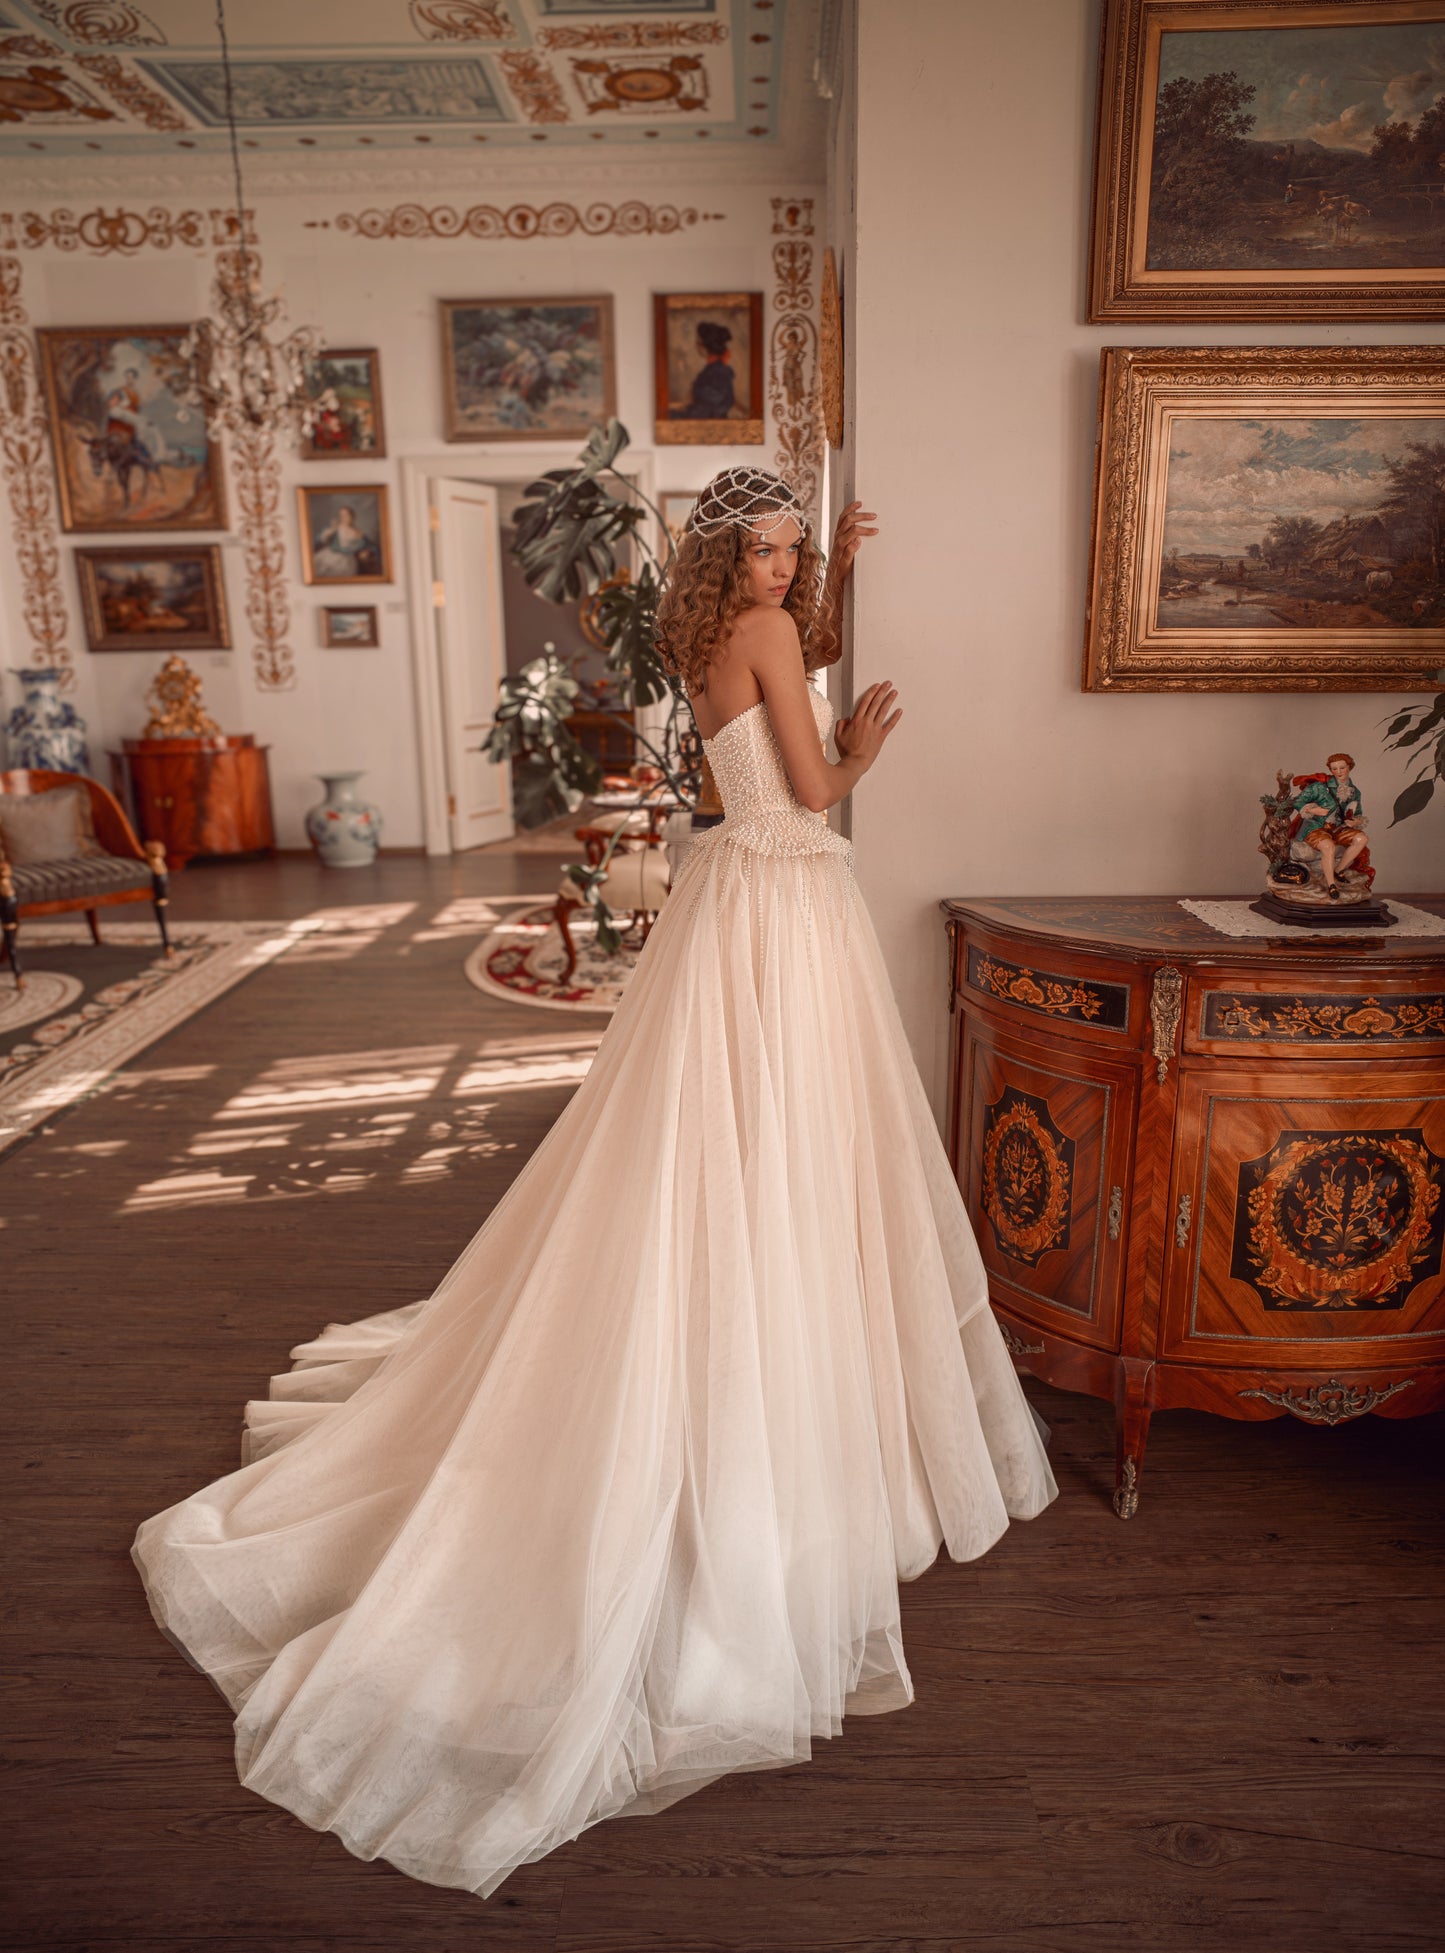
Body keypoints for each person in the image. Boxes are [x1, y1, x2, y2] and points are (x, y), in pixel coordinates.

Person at [132, 464, 1058, 1902]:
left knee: (724, 1141)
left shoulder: (708, 638)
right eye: (768, 548)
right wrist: (866, 745)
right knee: (788, 1147)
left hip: (733, 904)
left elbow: (747, 721)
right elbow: (809, 783)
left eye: (793, 550)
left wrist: (836, 596)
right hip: (787, 897)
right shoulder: (761, 635)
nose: (782, 569)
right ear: (731, 557)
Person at [1292, 752, 1370, 897]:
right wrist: (1313, 809)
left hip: (1339, 828)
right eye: (1334, 769)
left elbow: (1358, 813)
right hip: (1316, 828)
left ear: (1350, 767)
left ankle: (1338, 870)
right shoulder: (1320, 787)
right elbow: (1297, 802)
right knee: (1328, 846)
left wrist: (1355, 821)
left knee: (1362, 838)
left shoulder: (1354, 792)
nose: (1338, 772)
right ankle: (1331, 884)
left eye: (1342, 768)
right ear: (1330, 770)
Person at [677, 320, 737, 418]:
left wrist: (686, 410)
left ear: (703, 346)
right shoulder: (714, 369)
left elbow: (711, 408)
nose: (696, 345)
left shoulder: (718, 372)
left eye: (698, 342)